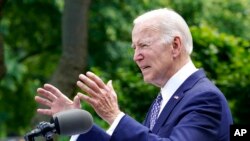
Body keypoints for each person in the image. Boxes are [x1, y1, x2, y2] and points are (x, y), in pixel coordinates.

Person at [35, 8, 233, 141]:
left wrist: (115, 116)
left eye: (144, 45)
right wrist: (78, 124)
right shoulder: (164, 99)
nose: (136, 57)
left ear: (175, 46)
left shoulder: (206, 99)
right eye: (134, 47)